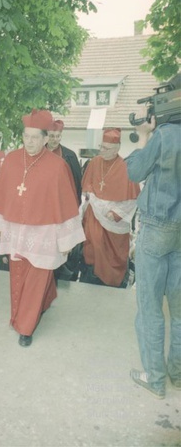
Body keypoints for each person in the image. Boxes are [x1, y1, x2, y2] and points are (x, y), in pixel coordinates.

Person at [0, 109, 85, 347]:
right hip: (16, 230)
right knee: (18, 276)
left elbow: (65, 203)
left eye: (35, 137)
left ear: (45, 139)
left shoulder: (58, 166)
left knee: (38, 277)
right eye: (26, 136)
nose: (29, 142)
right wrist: (0, 225)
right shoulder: (11, 159)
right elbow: (1, 194)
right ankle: (28, 310)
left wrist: (64, 241)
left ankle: (26, 326)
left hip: (44, 232)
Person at [126, 107, 181, 399]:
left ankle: (155, 379)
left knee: (150, 309)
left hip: (158, 225)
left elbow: (134, 171)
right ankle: (178, 373)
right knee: (180, 311)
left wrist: (144, 134)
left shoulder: (164, 134)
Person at [79, 128, 140, 288]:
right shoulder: (94, 163)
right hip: (94, 217)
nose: (102, 151)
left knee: (112, 255)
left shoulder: (125, 167)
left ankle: (112, 283)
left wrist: (116, 213)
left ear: (117, 148)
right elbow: (87, 188)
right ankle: (89, 280)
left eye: (106, 148)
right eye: (101, 146)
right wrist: (93, 197)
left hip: (114, 223)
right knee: (93, 248)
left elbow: (132, 199)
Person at [47, 118, 83, 282]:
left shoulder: (69, 156)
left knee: (61, 247)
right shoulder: (37, 153)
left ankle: (58, 276)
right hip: (43, 212)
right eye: (51, 136)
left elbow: (77, 185)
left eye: (58, 136)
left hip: (63, 210)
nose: (54, 140)